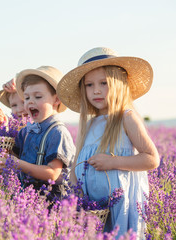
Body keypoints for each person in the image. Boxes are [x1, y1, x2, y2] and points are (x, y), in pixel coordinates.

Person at [57, 47, 160, 239]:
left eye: (103, 83)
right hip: (93, 209)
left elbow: (152, 159)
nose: (96, 90)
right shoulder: (89, 124)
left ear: (119, 83)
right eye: (89, 85)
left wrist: (113, 162)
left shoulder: (126, 118)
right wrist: (74, 200)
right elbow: (75, 167)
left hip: (121, 206)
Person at [4, 66, 75, 202]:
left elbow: (53, 173)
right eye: (26, 97)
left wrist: (17, 163)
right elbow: (12, 154)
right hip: (28, 199)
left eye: (37, 96)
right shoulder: (26, 131)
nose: (30, 101)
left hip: (53, 202)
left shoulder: (57, 132)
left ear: (56, 100)